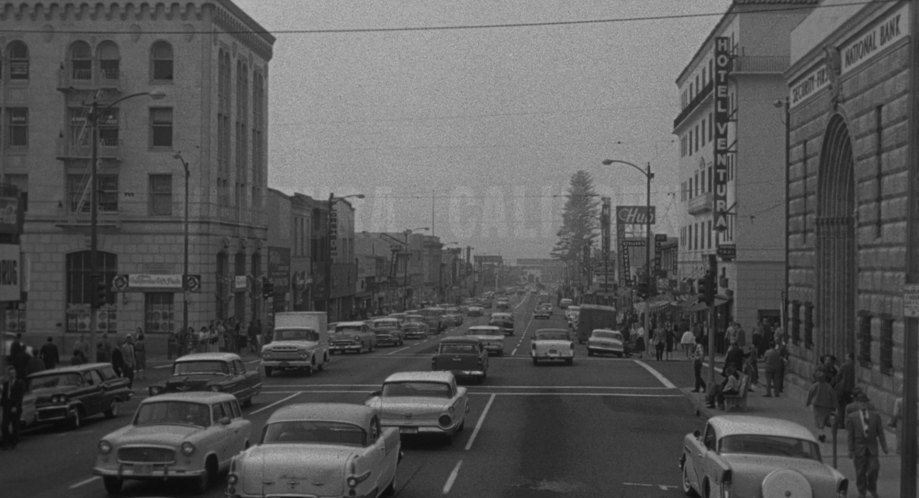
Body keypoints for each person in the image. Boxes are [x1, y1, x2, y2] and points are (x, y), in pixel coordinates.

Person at [846, 391, 888, 498]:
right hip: (859, 448)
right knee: (860, 472)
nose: (863, 405)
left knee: (874, 468)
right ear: (858, 404)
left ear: (868, 404)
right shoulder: (852, 417)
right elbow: (850, 435)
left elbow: (880, 433)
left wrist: (884, 446)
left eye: (865, 403)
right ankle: (862, 491)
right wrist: (850, 450)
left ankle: (872, 488)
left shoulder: (875, 416)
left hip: (872, 447)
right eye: (861, 403)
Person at [806, 372, 838, 442]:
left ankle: (821, 435)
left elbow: (810, 394)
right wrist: (835, 406)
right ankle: (821, 434)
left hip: (817, 406)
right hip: (827, 406)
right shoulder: (828, 386)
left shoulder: (815, 386)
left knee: (819, 422)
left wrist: (808, 402)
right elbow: (833, 396)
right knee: (823, 421)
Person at [0, 366, 25, 449]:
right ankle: (6, 442)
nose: (12, 375)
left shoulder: (19, 383)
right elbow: (3, 396)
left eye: (13, 373)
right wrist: (2, 404)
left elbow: (20, 396)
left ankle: (14, 443)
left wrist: (15, 406)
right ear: (8, 374)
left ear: (15, 374)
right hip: (7, 407)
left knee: (15, 426)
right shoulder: (5, 384)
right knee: (4, 426)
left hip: (15, 407)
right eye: (10, 374)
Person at [835, 353, 857, 428]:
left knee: (841, 407)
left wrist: (836, 384)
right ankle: (850, 424)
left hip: (842, 389)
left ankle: (841, 424)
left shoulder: (844, 365)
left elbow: (838, 376)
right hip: (851, 390)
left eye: (847, 356)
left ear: (849, 357)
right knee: (850, 407)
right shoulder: (855, 366)